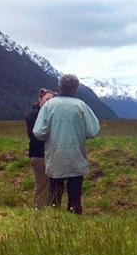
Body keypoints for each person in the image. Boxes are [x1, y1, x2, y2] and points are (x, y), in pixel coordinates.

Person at [33, 74, 100, 214]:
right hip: (76, 157)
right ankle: (74, 224)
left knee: (54, 197)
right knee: (75, 198)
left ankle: (54, 223)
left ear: (60, 86)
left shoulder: (49, 105)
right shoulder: (81, 105)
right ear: (76, 88)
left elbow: (38, 132)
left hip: (55, 157)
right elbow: (93, 130)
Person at [26, 88, 55, 208]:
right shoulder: (35, 114)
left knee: (47, 185)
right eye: (47, 99)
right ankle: (39, 210)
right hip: (39, 154)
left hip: (45, 154)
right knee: (42, 185)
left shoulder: (42, 113)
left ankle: (46, 210)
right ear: (40, 99)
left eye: (51, 100)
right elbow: (35, 136)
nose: (49, 102)